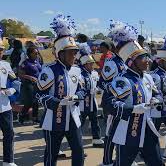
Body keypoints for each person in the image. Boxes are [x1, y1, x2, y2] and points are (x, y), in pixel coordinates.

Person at [102, 20, 164, 166]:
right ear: (131, 62)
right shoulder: (122, 80)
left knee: (157, 162)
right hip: (128, 131)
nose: (148, 60)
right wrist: (133, 109)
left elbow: (157, 94)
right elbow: (108, 104)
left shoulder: (147, 77)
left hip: (147, 128)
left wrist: (157, 100)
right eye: (143, 57)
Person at [36, 14, 84, 166]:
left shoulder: (77, 70)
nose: (74, 55)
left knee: (79, 151)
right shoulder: (48, 70)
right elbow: (39, 94)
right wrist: (57, 102)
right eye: (71, 52)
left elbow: (82, 90)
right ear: (60, 53)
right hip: (53, 120)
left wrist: (77, 97)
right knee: (52, 153)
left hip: (72, 118)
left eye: (75, 52)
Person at [99, 22, 127, 166]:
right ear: (117, 47)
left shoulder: (127, 61)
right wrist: (116, 91)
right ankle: (107, 161)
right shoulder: (111, 62)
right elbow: (102, 82)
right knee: (111, 133)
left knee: (124, 132)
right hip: (113, 103)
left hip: (126, 103)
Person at [0, 25, 20, 166]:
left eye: (1, 50)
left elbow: (15, 81)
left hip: (5, 105)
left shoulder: (6, 65)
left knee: (9, 134)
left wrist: (12, 90)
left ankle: (8, 160)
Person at [78, 53, 104, 147]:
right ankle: (77, 142)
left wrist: (97, 90)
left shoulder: (93, 73)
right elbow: (80, 88)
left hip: (92, 102)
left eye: (92, 63)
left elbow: (96, 85)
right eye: (90, 63)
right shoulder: (80, 74)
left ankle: (97, 139)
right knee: (80, 123)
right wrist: (90, 91)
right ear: (84, 64)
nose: (92, 65)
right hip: (82, 103)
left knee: (95, 121)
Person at [18, 46, 42, 124]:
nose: (37, 54)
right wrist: (29, 77)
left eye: (38, 53)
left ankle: (35, 118)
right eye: (35, 53)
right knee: (29, 102)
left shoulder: (37, 61)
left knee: (36, 101)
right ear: (30, 54)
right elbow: (20, 75)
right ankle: (21, 115)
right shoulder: (26, 63)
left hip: (37, 84)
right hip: (28, 84)